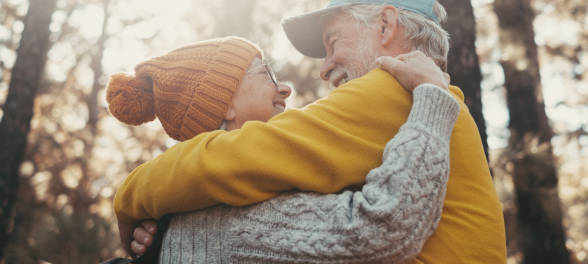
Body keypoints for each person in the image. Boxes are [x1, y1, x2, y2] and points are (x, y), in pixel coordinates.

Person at [115, 0, 507, 263]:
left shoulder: (393, 88)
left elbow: (239, 158)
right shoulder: (428, 97)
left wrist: (133, 197)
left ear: (386, 25)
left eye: (333, 42)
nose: (325, 67)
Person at [105, 37, 458, 263]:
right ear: (225, 105)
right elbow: (384, 229)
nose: (285, 88)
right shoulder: (231, 220)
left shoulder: (187, 207)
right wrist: (432, 101)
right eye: (267, 75)